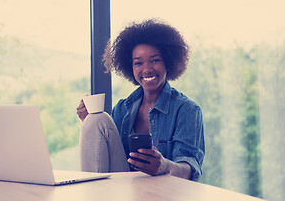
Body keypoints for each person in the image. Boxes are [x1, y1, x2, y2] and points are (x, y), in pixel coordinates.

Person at [76, 19, 205, 181]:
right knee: (97, 119)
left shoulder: (187, 110)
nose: (147, 69)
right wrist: (89, 122)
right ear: (130, 67)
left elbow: (190, 169)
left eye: (155, 60)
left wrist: (164, 166)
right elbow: (108, 156)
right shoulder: (123, 108)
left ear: (168, 61)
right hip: (124, 190)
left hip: (166, 193)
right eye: (138, 63)